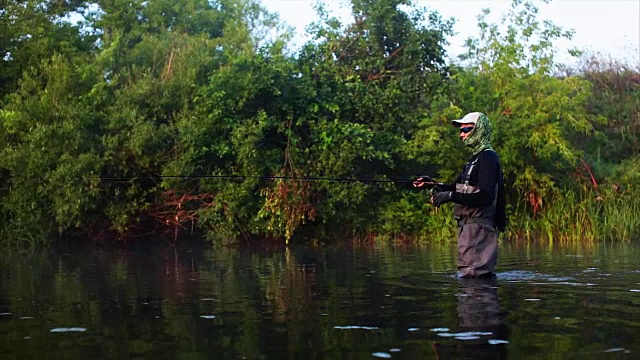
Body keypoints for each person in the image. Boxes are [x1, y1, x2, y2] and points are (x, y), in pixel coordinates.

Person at [414, 112, 506, 278]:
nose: (461, 134)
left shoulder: (488, 158)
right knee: (470, 278)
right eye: (461, 130)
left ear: (479, 130)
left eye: (467, 129)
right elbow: (454, 188)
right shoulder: (475, 159)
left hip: (479, 231)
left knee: (474, 279)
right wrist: (431, 184)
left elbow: (485, 197)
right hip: (469, 232)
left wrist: (449, 196)